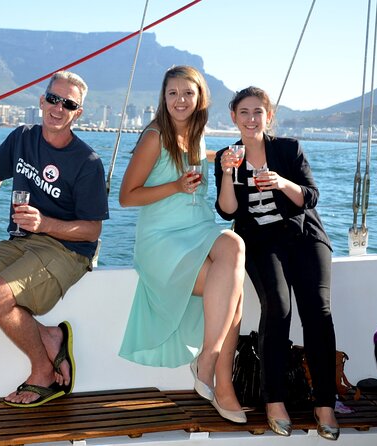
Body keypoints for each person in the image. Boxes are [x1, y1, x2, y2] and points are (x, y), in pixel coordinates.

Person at [0, 71, 109, 407]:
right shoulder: (22, 138)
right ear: (42, 101)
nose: (58, 108)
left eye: (68, 104)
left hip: (68, 250)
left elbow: (92, 230)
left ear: (78, 113)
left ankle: (43, 372)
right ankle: (49, 335)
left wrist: (44, 223)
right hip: (24, 240)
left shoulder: (87, 162)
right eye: (53, 99)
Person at [118, 65, 246, 423]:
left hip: (198, 227)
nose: (180, 100)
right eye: (173, 93)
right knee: (233, 295)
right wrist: (175, 186)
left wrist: (222, 161)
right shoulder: (154, 137)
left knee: (235, 245)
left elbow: (197, 170)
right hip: (162, 239)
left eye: (187, 93)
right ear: (164, 97)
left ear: (199, 97)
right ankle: (222, 385)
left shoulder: (197, 133)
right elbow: (126, 197)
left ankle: (208, 361)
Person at [215, 86, 338, 440]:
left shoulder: (288, 149)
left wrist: (282, 182)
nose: (251, 119)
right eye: (244, 113)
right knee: (278, 308)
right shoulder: (227, 155)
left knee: (317, 311)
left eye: (258, 112)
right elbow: (227, 211)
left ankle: (324, 403)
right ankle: (274, 401)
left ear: (269, 116)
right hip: (261, 243)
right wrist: (226, 173)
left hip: (304, 237)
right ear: (234, 118)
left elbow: (310, 196)